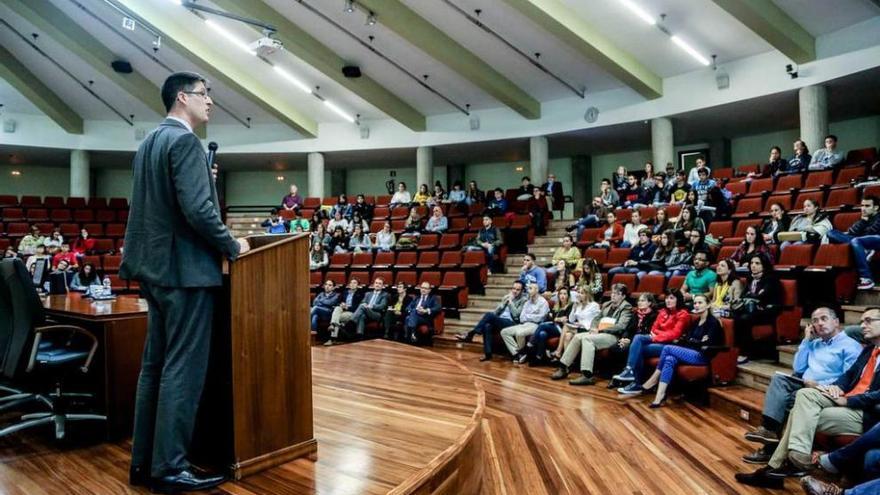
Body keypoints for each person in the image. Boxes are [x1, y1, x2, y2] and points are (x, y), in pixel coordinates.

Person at [121, 71, 249, 492]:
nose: (210, 102)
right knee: (182, 369)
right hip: (186, 273)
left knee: (154, 367)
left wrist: (202, 185)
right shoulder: (185, 142)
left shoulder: (149, 143)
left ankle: (144, 463)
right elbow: (197, 212)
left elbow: (164, 205)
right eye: (204, 95)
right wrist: (232, 245)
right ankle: (170, 467)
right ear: (182, 98)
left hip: (153, 270)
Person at [735, 308, 880, 489]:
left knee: (800, 412)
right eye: (861, 321)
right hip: (843, 397)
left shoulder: (852, 345)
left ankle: (774, 469)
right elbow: (849, 376)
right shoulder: (869, 350)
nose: (862, 326)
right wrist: (837, 387)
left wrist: (847, 400)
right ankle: (796, 456)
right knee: (803, 396)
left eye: (868, 321)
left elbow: (877, 395)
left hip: (866, 411)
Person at [638, 294, 724, 407]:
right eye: (695, 303)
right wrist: (696, 340)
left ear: (708, 305)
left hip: (702, 356)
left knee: (667, 348)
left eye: (700, 303)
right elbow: (687, 339)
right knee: (669, 358)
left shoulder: (713, 323)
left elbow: (707, 344)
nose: (697, 305)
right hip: (691, 352)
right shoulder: (696, 321)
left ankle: (654, 379)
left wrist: (694, 341)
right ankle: (660, 396)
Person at [550, 283, 633, 385]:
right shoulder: (607, 304)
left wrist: (601, 330)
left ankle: (587, 375)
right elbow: (596, 318)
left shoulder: (626, 307)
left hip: (613, 336)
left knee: (587, 339)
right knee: (577, 337)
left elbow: (621, 326)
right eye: (612, 293)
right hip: (599, 333)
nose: (613, 295)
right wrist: (593, 327)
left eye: (617, 293)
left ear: (623, 296)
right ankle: (564, 367)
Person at [614, 288, 690, 394]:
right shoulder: (663, 312)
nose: (668, 300)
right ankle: (631, 373)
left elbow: (674, 334)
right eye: (667, 298)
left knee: (639, 347)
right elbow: (654, 328)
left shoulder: (683, 314)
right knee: (638, 338)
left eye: (672, 298)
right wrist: (658, 335)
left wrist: (656, 337)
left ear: (678, 300)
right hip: (659, 341)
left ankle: (635, 381)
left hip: (670, 345)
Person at [456, 281, 527, 362]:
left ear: (522, 291)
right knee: (487, 326)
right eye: (513, 288)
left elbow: (516, 316)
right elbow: (496, 313)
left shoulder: (523, 300)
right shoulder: (506, 297)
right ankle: (488, 354)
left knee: (489, 315)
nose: (515, 291)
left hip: (511, 323)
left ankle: (471, 334)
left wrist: (510, 303)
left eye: (518, 290)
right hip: (500, 320)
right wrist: (503, 304)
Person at [732, 253, 782, 363]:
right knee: (733, 316)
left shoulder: (771, 279)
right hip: (752, 309)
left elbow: (762, 297)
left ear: (764, 265)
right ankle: (734, 350)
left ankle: (745, 353)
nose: (753, 266)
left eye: (757, 263)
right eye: (751, 263)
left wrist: (751, 297)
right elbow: (744, 296)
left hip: (767, 311)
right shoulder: (750, 278)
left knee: (744, 319)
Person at [550, 285, 601, 362]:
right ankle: (568, 362)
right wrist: (574, 307)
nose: (579, 295)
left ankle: (558, 352)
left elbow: (597, 320)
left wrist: (582, 324)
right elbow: (571, 319)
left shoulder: (594, 305)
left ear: (587, 294)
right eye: (579, 293)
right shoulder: (578, 305)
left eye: (582, 293)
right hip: (578, 328)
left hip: (587, 329)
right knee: (567, 336)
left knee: (566, 326)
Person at [503, 282, 551, 363]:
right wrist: (532, 316)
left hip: (536, 326)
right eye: (528, 289)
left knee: (519, 333)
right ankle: (517, 354)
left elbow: (540, 318)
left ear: (537, 290)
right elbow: (521, 318)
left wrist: (528, 316)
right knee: (504, 332)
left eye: (531, 288)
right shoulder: (527, 302)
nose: (528, 291)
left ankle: (521, 353)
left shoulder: (543, 302)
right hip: (524, 324)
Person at [526, 288, 572, 365]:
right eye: (561, 294)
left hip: (563, 329)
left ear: (568, 296)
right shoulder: (556, 305)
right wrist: (558, 319)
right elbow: (550, 317)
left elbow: (566, 320)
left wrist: (556, 319)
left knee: (542, 326)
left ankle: (530, 344)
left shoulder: (570, 306)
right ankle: (539, 358)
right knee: (542, 334)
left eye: (565, 294)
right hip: (554, 327)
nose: (562, 296)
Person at [326, 278, 363, 345]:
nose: (352, 284)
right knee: (337, 308)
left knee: (336, 317)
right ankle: (333, 325)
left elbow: (358, 308)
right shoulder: (345, 292)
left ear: (358, 285)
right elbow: (337, 302)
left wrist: (347, 307)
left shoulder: (360, 294)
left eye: (355, 283)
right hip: (341, 310)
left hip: (351, 312)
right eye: (351, 283)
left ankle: (332, 338)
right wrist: (341, 304)